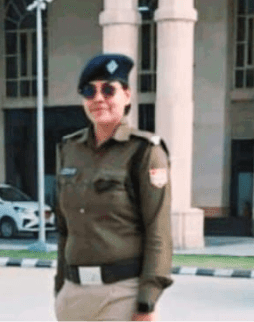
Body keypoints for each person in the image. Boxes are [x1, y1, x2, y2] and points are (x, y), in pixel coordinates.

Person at [53, 53, 173, 321]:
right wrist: (60, 287)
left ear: (127, 95)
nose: (98, 98)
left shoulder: (144, 151)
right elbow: (64, 229)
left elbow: (158, 231)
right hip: (74, 295)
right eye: (89, 91)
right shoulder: (68, 150)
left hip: (122, 294)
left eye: (108, 89)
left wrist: (147, 302)